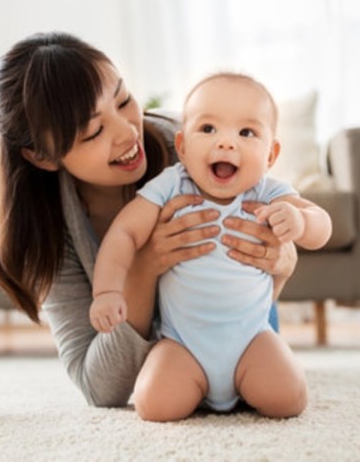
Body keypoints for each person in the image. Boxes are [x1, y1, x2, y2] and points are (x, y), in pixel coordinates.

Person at [0, 31, 304, 409]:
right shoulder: (49, 232)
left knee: (280, 391)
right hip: (172, 365)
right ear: (42, 156)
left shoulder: (197, 150)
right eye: (94, 131)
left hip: (246, 334)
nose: (127, 132)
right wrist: (143, 268)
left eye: (123, 100)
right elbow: (100, 388)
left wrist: (282, 261)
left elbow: (277, 227)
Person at [90, 72, 332, 421]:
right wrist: (107, 291)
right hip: (182, 344)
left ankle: (245, 382)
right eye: (208, 129)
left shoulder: (268, 192)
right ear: (183, 146)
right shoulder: (172, 185)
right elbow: (124, 233)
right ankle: (196, 386)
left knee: (288, 399)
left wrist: (302, 222)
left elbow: (321, 224)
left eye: (246, 133)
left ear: (271, 154)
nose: (226, 143)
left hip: (252, 339)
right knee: (154, 405)